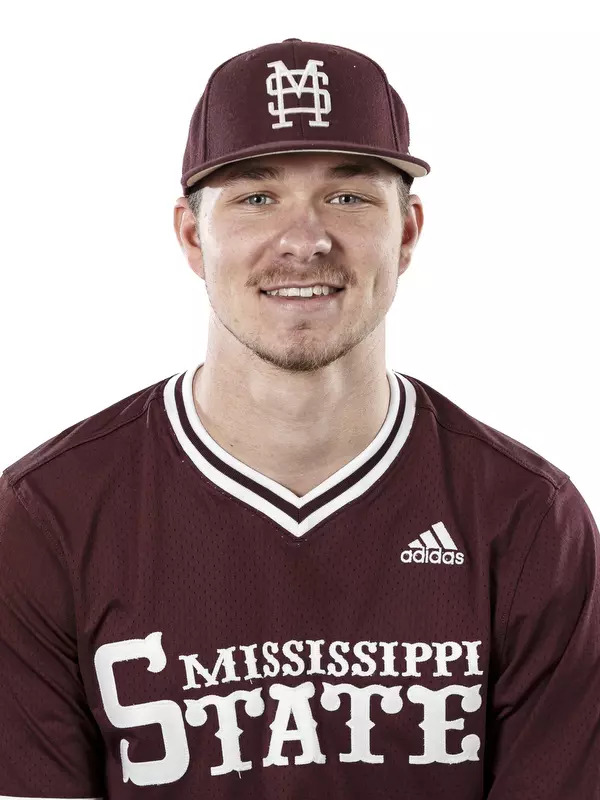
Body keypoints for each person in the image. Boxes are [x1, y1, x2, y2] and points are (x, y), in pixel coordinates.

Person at [0, 37, 599, 800]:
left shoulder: (527, 522)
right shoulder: (49, 516)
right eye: (257, 197)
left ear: (408, 231)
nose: (306, 240)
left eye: (347, 197)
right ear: (192, 235)